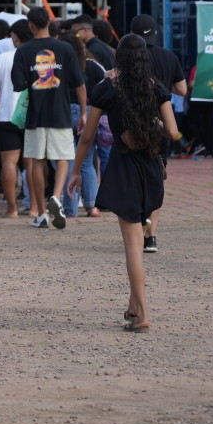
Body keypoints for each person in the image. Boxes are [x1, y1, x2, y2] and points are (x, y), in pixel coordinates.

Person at [68, 34, 179, 333]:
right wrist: (152, 123)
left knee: (132, 245)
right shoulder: (157, 87)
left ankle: (142, 315)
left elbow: (87, 136)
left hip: (123, 168)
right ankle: (133, 306)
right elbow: (173, 132)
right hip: (151, 168)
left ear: (118, 58)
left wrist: (76, 171)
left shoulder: (107, 88)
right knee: (139, 239)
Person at [11, 7, 86, 229]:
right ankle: (56, 197)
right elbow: (79, 83)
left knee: (37, 161)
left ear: (31, 25)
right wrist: (83, 113)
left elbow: (18, 84)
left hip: (35, 116)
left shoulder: (23, 51)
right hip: (61, 113)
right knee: (63, 159)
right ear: (49, 23)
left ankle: (41, 212)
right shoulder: (65, 48)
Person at [129, 14, 188, 252]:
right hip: (161, 126)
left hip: (133, 126)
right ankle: (151, 237)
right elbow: (182, 89)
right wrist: (164, 84)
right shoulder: (169, 57)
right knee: (156, 180)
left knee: (134, 179)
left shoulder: (129, 57)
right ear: (155, 33)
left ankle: (137, 227)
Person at [0, 19, 33, 218]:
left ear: (16, 37)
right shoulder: (39, 55)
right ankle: (35, 207)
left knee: (8, 163)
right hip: (32, 117)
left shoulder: (4, 58)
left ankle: (12, 209)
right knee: (32, 163)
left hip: (7, 117)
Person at [60, 32, 106, 218]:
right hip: (88, 113)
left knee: (69, 162)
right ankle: (92, 206)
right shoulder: (92, 65)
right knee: (87, 163)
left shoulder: (60, 65)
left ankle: (70, 209)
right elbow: (106, 83)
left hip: (63, 113)